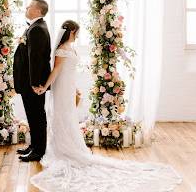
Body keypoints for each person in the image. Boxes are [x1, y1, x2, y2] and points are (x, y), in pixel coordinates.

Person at [30, 19, 182, 192]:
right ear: (70, 32)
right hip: (61, 89)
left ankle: (71, 146)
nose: (77, 35)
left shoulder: (71, 48)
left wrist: (75, 88)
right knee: (62, 117)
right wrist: (45, 88)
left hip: (69, 86)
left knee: (70, 117)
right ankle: (63, 148)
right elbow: (56, 71)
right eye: (76, 32)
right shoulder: (61, 50)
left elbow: (68, 72)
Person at [13, 0, 51, 162]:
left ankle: (39, 151)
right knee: (33, 116)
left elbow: (35, 59)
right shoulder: (35, 27)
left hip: (33, 84)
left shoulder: (37, 29)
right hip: (29, 83)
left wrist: (35, 84)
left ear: (37, 10)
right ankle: (34, 146)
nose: (26, 7)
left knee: (37, 117)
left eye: (29, 6)